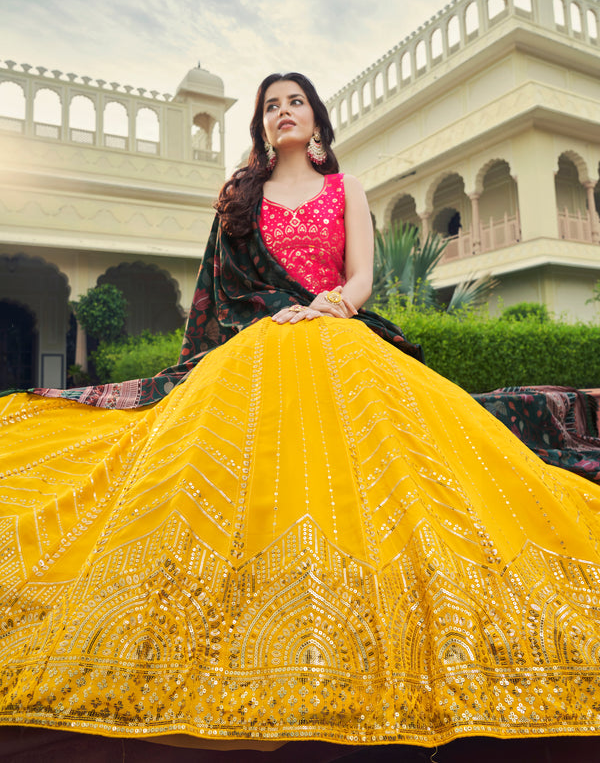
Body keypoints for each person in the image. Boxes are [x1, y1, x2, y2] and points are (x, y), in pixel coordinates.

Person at [1, 72, 600, 757]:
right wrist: (273, 314)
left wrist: (332, 305)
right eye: (271, 106)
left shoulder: (348, 189)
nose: (284, 112)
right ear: (261, 124)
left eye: (296, 103)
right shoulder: (239, 199)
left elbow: (361, 277)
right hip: (258, 343)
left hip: (337, 331)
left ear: (316, 120)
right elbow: (224, 294)